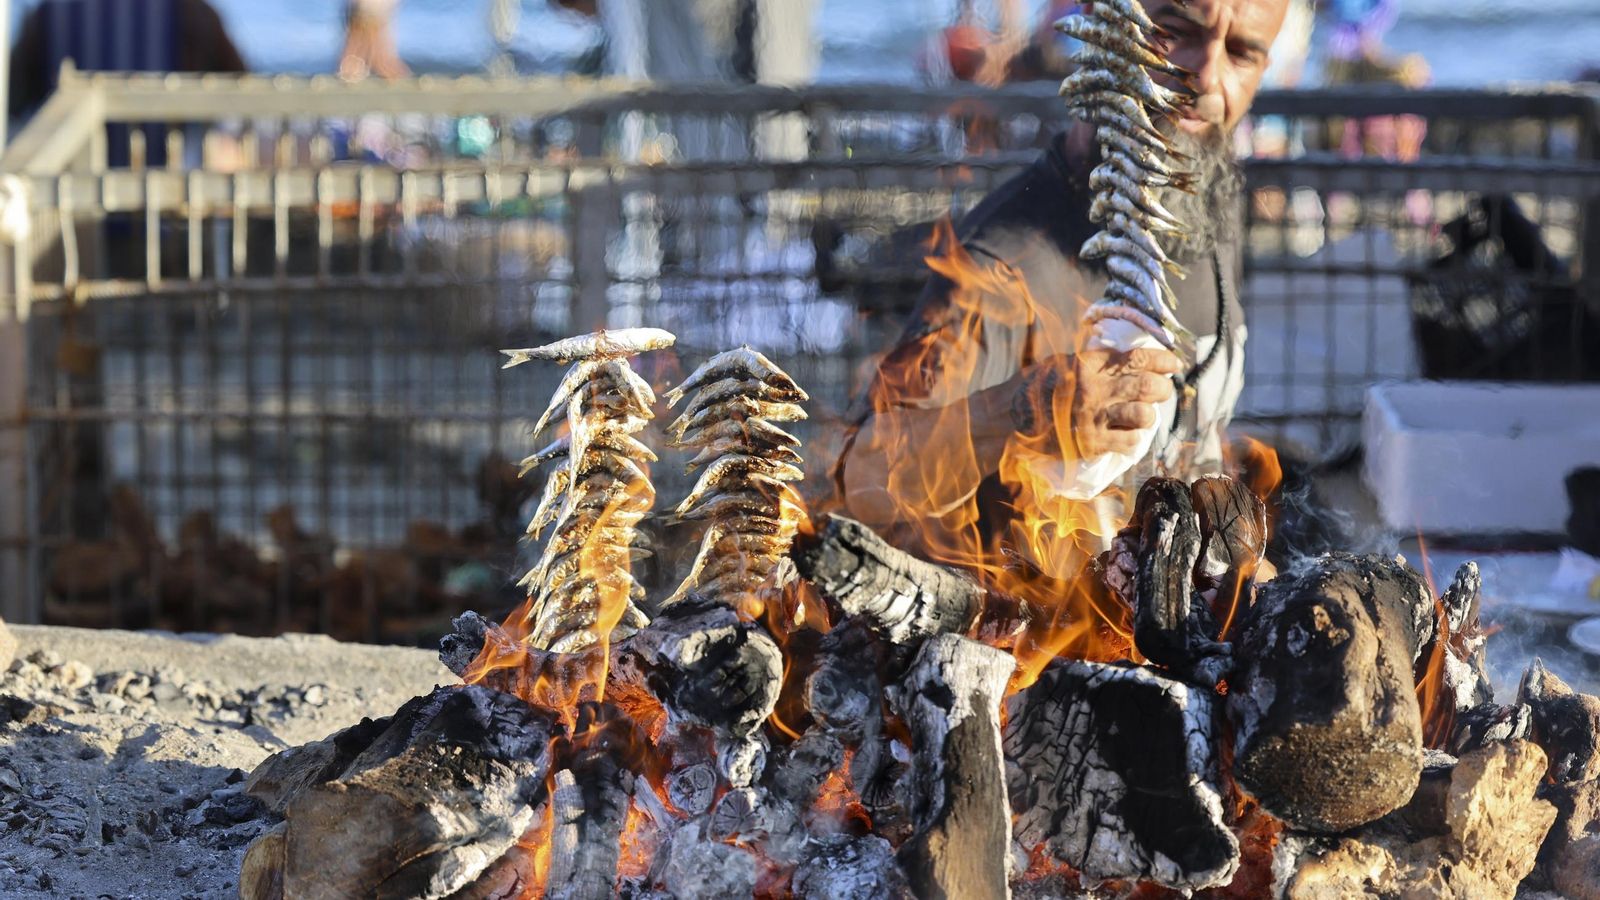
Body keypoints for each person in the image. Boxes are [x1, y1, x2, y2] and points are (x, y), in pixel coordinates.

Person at [835, 0, 1292, 569]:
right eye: (1174, 32)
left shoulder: (1206, 187)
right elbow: (860, 480)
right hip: (1051, 640)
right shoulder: (1006, 262)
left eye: (1243, 52)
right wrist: (1020, 412)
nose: (1207, 78)